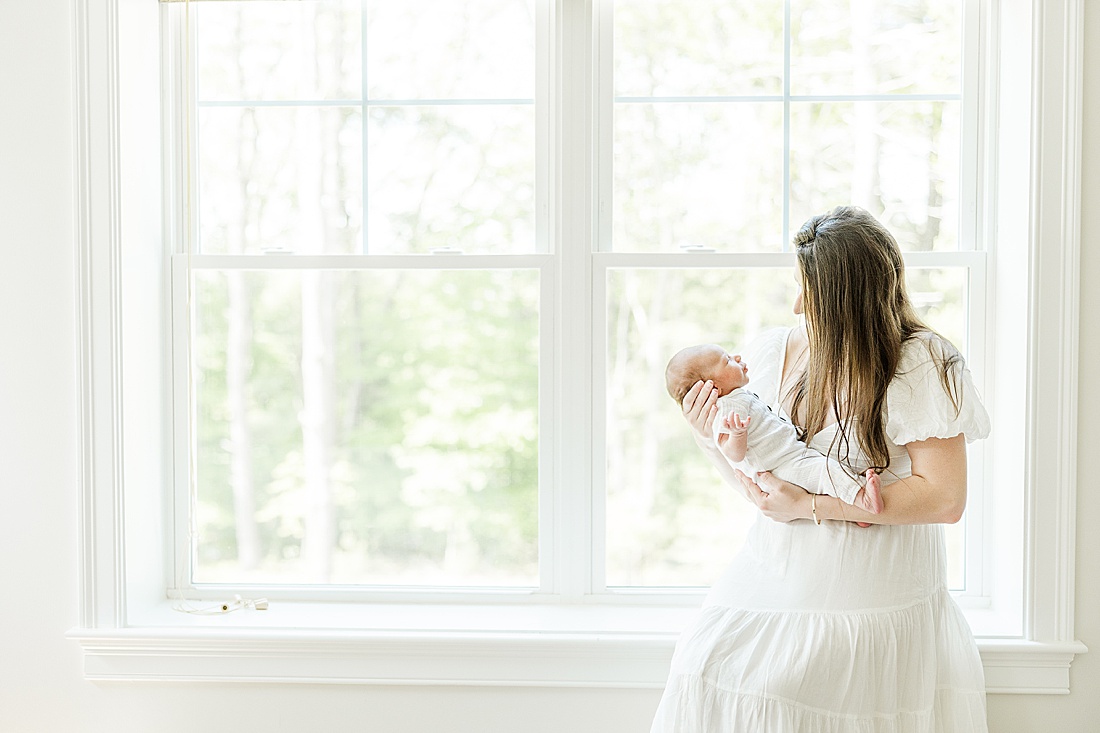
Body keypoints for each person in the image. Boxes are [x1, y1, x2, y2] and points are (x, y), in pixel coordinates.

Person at [650, 206, 991, 732]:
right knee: (704, 670)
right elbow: (759, 486)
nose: (796, 304)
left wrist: (813, 505)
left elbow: (946, 499)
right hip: (774, 570)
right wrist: (710, 439)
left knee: (788, 694)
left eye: (808, 290)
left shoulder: (922, 360)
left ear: (847, 298)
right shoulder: (769, 351)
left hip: (869, 587)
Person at [664, 343, 883, 516]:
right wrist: (738, 434)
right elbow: (733, 453)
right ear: (713, 387)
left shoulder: (737, 396)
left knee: (824, 471)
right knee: (823, 471)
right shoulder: (727, 409)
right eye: (728, 360)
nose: (737, 358)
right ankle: (863, 500)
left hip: (787, 455)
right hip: (779, 467)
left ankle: (855, 504)